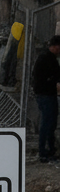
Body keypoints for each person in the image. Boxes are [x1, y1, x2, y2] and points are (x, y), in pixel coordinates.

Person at [32, 35, 60, 163]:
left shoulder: (51, 58)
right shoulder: (45, 58)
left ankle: (50, 150)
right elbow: (41, 79)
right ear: (54, 47)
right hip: (45, 95)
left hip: (49, 95)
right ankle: (44, 152)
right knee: (47, 124)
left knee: (51, 123)